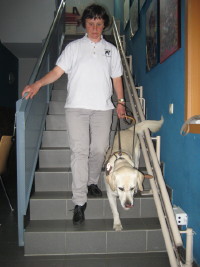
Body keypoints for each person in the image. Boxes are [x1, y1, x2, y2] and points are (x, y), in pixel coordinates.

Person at [22, 4, 126, 225]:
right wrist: (38, 84)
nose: (95, 28)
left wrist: (121, 102)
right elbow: (57, 71)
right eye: (91, 23)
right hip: (76, 108)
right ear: (84, 25)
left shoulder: (112, 51)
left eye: (99, 24)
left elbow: (117, 78)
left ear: (104, 25)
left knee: (99, 149)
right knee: (79, 152)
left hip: (103, 108)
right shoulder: (74, 48)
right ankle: (79, 202)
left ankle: (91, 181)